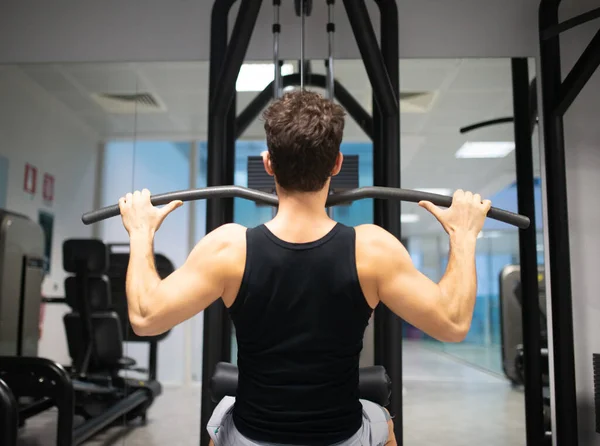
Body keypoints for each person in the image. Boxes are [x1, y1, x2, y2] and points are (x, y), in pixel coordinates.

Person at [118, 91, 491, 446]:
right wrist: (463, 236)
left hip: (252, 436)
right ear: (337, 164)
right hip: (341, 436)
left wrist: (140, 232)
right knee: (381, 418)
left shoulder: (228, 247)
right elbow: (454, 323)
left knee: (221, 418)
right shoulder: (373, 248)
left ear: (268, 164)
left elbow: (145, 317)